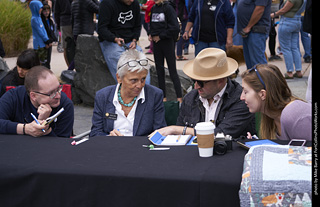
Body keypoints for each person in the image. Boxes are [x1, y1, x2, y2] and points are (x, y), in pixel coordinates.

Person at [153, 48, 256, 138]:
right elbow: (180, 138)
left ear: (221, 80)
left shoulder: (242, 99)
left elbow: (221, 134)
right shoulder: (190, 98)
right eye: (194, 80)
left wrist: (177, 130)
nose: (196, 86)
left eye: (201, 82)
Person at [90, 49, 166, 137]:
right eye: (134, 80)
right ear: (119, 78)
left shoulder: (155, 95)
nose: (139, 85)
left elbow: (160, 133)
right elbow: (95, 133)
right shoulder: (103, 96)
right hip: (111, 148)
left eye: (143, 79)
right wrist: (108, 138)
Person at [240, 64, 311, 141]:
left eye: (245, 92)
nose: (241, 97)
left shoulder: (293, 115)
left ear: (263, 94)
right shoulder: (270, 115)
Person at [0, 66, 74, 138]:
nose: (58, 96)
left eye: (58, 89)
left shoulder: (65, 105)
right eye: (51, 93)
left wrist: (45, 128)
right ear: (33, 96)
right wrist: (25, 129)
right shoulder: (14, 97)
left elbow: (62, 143)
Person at [98, 0, 150, 84]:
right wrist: (114, 39)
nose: (131, 0)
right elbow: (102, 29)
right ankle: (129, 92)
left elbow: (137, 26)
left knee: (143, 66)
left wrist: (134, 40)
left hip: (130, 41)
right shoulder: (107, 3)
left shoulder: (135, 4)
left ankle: (145, 92)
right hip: (112, 41)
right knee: (126, 72)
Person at [149, 0, 183, 103]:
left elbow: (175, 28)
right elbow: (151, 24)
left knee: (172, 71)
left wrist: (161, 36)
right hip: (156, 43)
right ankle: (163, 99)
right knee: (159, 71)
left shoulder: (168, 8)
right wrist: (151, 34)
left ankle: (179, 98)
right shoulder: (154, 8)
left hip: (167, 42)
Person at [271, 0, 305, 78]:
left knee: (286, 48)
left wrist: (273, 14)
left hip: (287, 22)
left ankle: (289, 72)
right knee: (294, 47)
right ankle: (298, 70)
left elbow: (284, 9)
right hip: (297, 21)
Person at [237, 0, 272, 69]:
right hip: (249, 32)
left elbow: (259, 9)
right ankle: (254, 79)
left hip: (256, 31)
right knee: (250, 63)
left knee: (258, 63)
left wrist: (248, 27)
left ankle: (263, 79)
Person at [30, 0, 53, 66]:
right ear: (35, 8)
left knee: (45, 61)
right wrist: (46, 39)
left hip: (43, 43)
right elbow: (40, 31)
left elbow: (43, 30)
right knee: (40, 62)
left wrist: (47, 39)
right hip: (39, 44)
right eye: (40, 8)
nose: (41, 10)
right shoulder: (34, 19)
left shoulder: (39, 18)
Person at [54, 0, 73, 66]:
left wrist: (58, 26)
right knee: (75, 46)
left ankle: (69, 68)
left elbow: (56, 12)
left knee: (66, 47)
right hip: (75, 21)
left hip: (64, 22)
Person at [41, 3, 58, 69]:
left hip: (50, 42)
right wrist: (46, 42)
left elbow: (52, 32)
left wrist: (52, 41)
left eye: (48, 11)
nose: (46, 12)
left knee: (48, 60)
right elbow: (42, 33)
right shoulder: (41, 21)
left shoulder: (50, 21)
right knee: (43, 61)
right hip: (44, 43)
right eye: (45, 11)